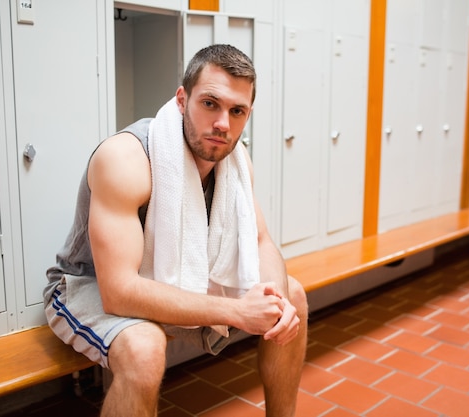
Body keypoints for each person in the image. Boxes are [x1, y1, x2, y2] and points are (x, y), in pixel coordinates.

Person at [43, 44, 308, 417]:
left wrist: (275, 302)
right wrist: (237, 311)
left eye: (237, 111)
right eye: (210, 104)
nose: (223, 124)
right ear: (182, 99)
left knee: (291, 296)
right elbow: (118, 292)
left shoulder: (235, 159)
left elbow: (261, 240)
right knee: (144, 348)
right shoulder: (126, 159)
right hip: (89, 284)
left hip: (178, 275)